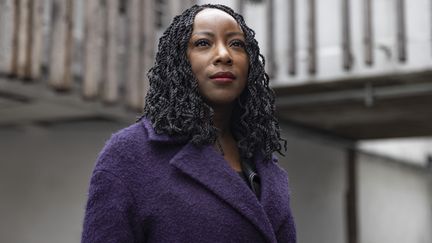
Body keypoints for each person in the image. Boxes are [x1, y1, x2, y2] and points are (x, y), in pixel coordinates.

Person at [81, 4, 296, 243]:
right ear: (179, 62)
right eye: (203, 43)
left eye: (236, 44)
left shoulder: (267, 166)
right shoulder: (130, 154)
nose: (224, 54)